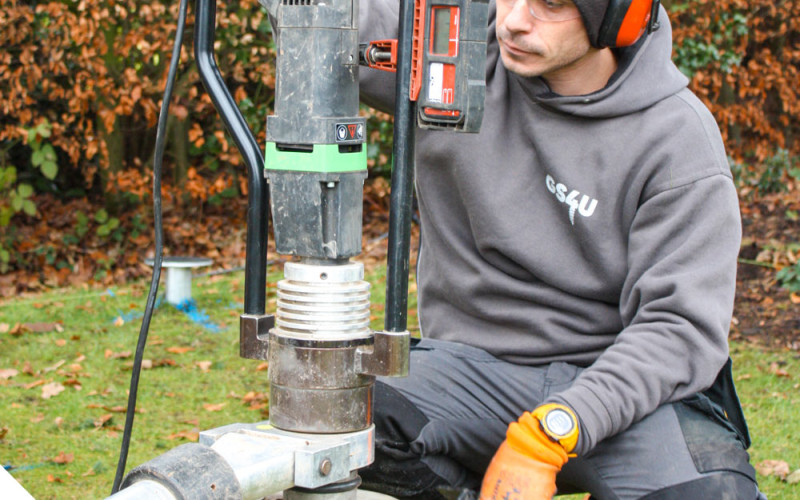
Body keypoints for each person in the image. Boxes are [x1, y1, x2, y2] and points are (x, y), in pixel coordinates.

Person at [358, 0, 762, 498]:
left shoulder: (677, 138)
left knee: (709, 491)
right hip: (467, 376)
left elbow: (677, 330)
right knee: (342, 416)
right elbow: (329, 23)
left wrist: (551, 434)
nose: (514, 21)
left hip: (621, 391)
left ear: (618, 17)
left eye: (549, 5)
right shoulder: (453, 52)